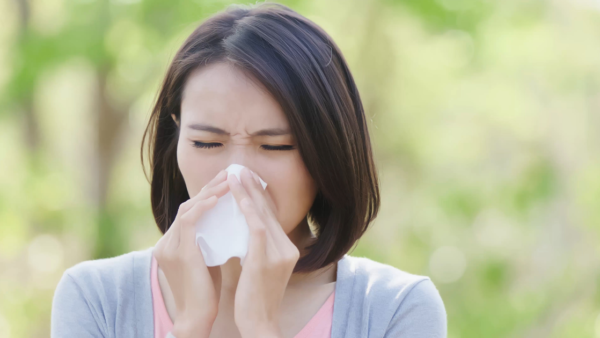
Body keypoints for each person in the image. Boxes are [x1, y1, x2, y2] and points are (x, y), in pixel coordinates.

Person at [51, 2, 447, 338]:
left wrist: (260, 326)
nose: (236, 175)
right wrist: (188, 327)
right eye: (207, 143)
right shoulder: (97, 298)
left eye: (275, 145)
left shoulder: (394, 308)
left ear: (326, 152)